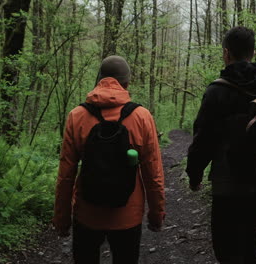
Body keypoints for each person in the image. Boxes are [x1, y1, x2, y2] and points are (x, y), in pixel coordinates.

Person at [186, 27, 256, 264]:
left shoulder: (217, 91)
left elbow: (203, 139)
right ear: (253, 53)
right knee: (250, 245)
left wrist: (194, 175)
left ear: (226, 53)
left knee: (226, 250)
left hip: (227, 185)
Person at [53, 56, 165, 264]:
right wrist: (156, 214)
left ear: (99, 80)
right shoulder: (142, 117)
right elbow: (153, 173)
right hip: (128, 217)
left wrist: (62, 219)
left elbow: (66, 175)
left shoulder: (77, 116)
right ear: (127, 83)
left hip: (86, 215)